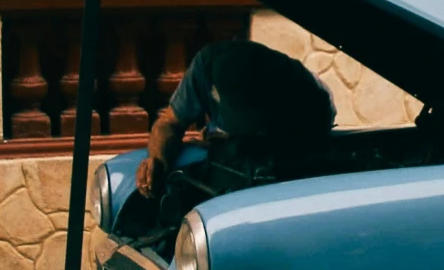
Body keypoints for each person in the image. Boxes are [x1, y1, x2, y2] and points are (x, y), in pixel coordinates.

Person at [134, 37, 336, 198]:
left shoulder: (301, 91)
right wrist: (156, 159)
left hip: (297, 128)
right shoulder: (205, 67)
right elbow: (169, 122)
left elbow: (304, 145)